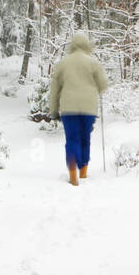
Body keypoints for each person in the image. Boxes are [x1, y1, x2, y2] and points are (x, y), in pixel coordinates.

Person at [48, 31, 109, 185]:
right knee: (84, 139)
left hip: (68, 109)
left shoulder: (63, 63)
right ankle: (83, 171)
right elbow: (103, 85)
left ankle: (73, 174)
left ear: (72, 45)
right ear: (86, 45)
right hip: (88, 109)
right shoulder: (93, 63)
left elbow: (55, 89)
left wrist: (54, 110)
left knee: (72, 139)